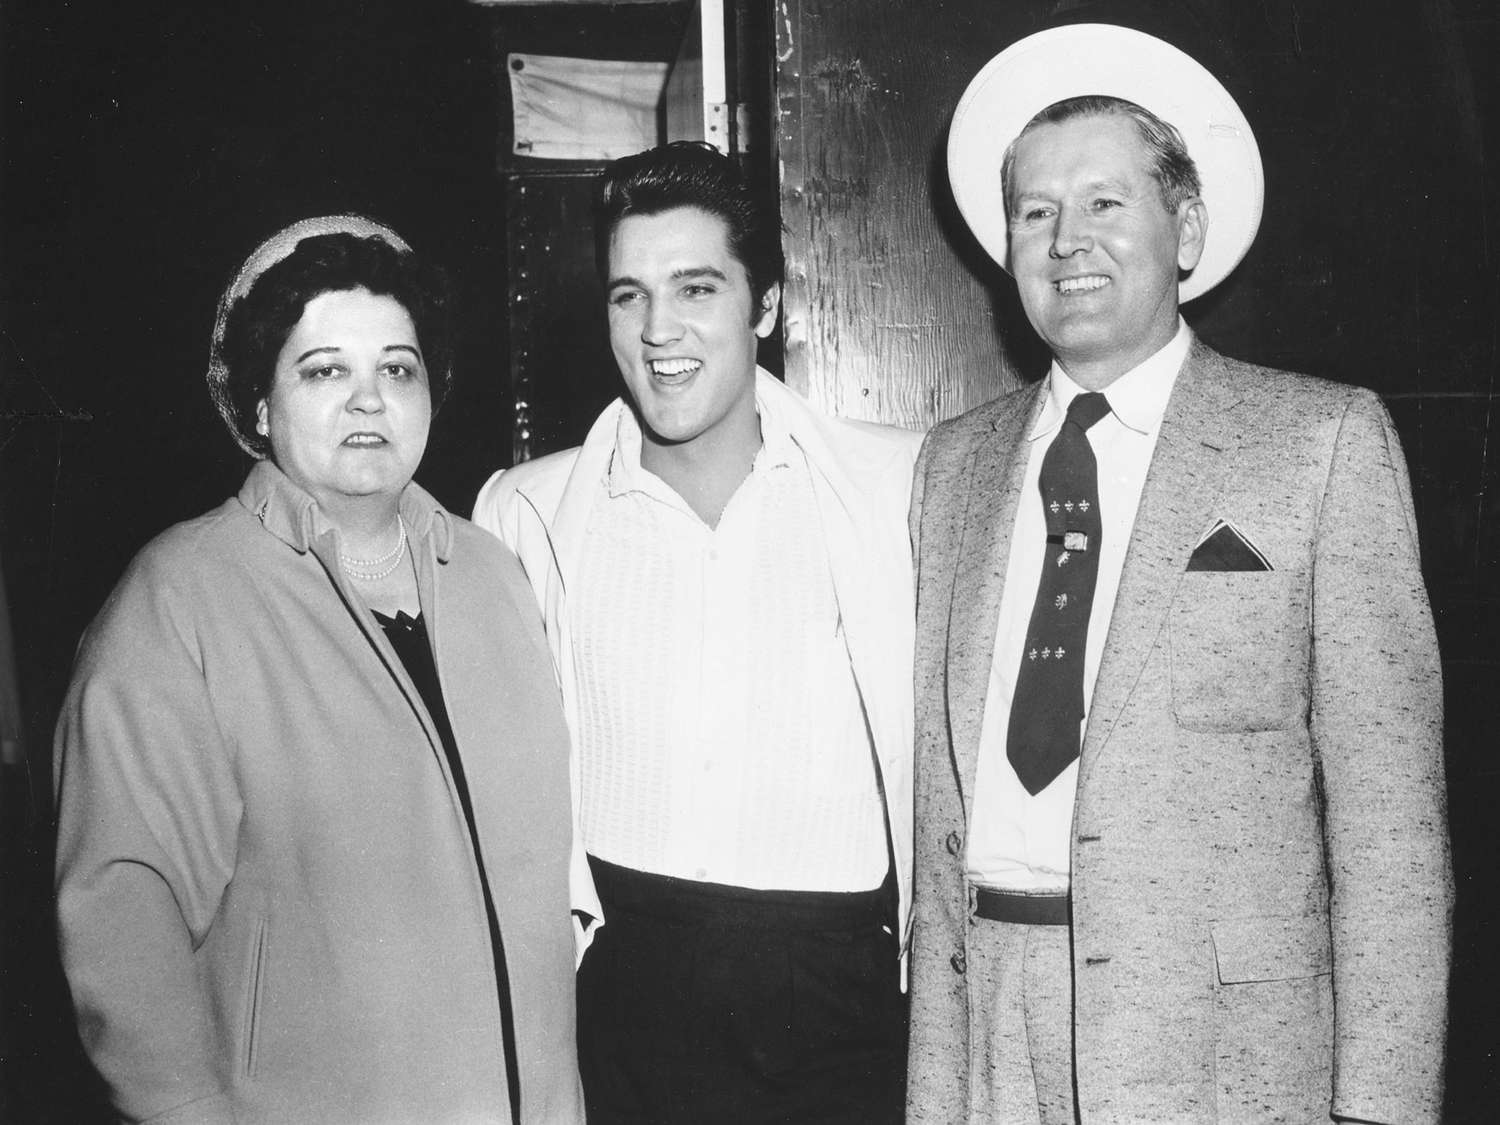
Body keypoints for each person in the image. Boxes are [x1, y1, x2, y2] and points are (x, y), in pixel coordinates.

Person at [906, 24, 1451, 1125]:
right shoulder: (952, 467)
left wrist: (1384, 1103)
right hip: (990, 1020)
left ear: (1186, 228)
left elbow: (1392, 822)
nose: (1068, 240)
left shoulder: (1319, 443)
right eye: (1036, 213)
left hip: (1220, 1049)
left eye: (1105, 202)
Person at [52, 216, 583, 1125]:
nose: (369, 400)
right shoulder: (180, 598)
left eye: (398, 369)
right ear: (260, 407)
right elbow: (122, 913)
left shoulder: (495, 575)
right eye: (325, 370)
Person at [474, 142, 921, 1124]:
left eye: (696, 288)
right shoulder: (524, 513)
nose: (658, 329)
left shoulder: (895, 488)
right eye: (628, 295)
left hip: (841, 1001)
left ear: (766, 307)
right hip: (624, 993)